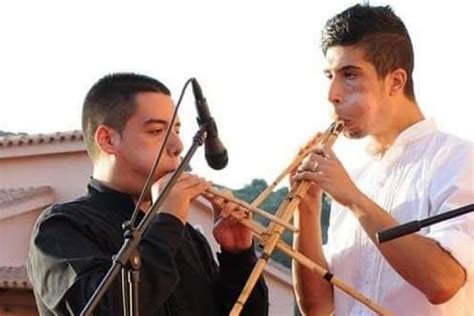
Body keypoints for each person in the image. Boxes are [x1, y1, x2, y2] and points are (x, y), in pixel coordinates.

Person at [27, 73, 269, 315]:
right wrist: (168, 223)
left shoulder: (186, 237)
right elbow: (105, 310)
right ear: (107, 139)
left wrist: (238, 256)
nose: (178, 145)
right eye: (156, 131)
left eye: (176, 129)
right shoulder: (61, 227)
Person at [292, 3, 473, 315]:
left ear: (396, 81)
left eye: (350, 74)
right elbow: (319, 307)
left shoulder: (458, 159)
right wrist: (306, 208)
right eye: (329, 75)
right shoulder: (355, 176)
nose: (332, 93)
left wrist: (352, 198)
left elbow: (442, 280)